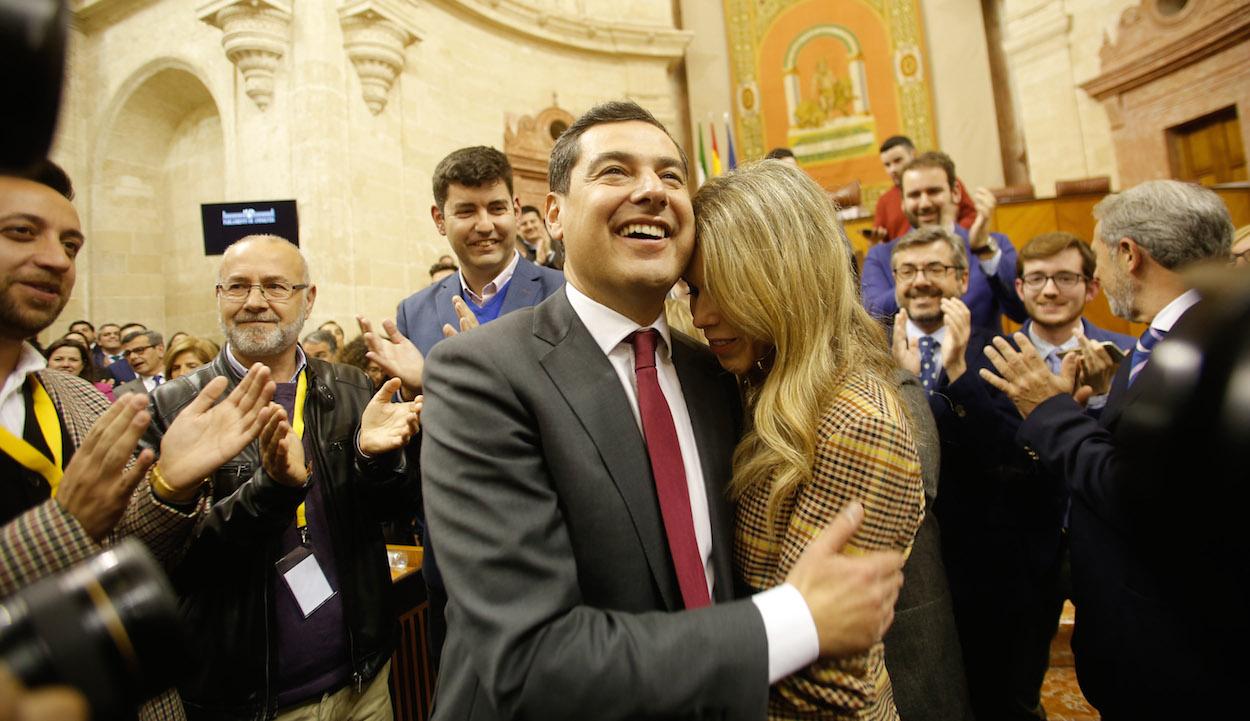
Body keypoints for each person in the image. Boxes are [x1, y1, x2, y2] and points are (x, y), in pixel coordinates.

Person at [420, 101, 905, 721]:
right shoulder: (481, 372)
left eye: (672, 176)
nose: (651, 189)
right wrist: (794, 620)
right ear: (554, 213)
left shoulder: (715, 375)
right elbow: (533, 663)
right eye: (615, 172)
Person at [0, 160, 281, 721]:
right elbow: (71, 534)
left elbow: (139, 560)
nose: (57, 259)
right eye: (21, 232)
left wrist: (169, 489)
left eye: (71, 244)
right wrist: (58, 529)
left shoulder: (75, 401)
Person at [980, 180, 1235, 719]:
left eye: (1096, 258)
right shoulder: (1178, 338)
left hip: (1179, 654)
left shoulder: (1199, 348)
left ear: (1129, 254)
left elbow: (1138, 494)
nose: (1101, 275)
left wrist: (1048, 411)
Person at [141, 234, 422, 721]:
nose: (255, 302)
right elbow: (173, 565)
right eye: (238, 287)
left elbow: (391, 512)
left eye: (275, 286)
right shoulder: (176, 408)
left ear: (307, 298)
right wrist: (271, 492)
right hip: (249, 700)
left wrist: (374, 460)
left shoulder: (350, 386)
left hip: (362, 679)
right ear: (219, 296)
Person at [688, 160, 925, 720]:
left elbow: (820, 676)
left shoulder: (856, 421)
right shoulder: (760, 386)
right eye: (693, 290)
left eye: (720, 289)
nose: (700, 315)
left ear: (785, 277)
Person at [382, 145, 565, 666]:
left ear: (514, 209)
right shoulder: (413, 312)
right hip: (452, 554)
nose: (485, 224)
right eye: (467, 211)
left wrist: (442, 380)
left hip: (546, 546)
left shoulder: (563, 294)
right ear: (440, 219)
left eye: (496, 208)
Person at [862, 152, 1027, 332]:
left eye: (933, 191)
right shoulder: (881, 256)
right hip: (906, 358)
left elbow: (1021, 311)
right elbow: (872, 318)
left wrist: (984, 251)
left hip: (979, 358)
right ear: (903, 202)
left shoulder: (992, 246)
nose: (924, 204)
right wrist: (915, 283)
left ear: (955, 193)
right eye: (914, 195)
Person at [871, 136, 976, 243]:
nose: (892, 169)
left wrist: (953, 235)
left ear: (913, 154)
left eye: (898, 160)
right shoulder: (884, 201)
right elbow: (881, 239)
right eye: (887, 165)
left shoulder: (945, 184)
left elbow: (971, 216)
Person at [43, 337, 115, 401]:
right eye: (58, 359)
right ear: (47, 362)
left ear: (83, 364)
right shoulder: (37, 389)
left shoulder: (100, 391)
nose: (66, 364)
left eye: (73, 360)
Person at [114, 330, 165, 396]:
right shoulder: (122, 392)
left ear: (160, 350)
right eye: (128, 353)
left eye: (139, 350)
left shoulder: (180, 379)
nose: (132, 357)